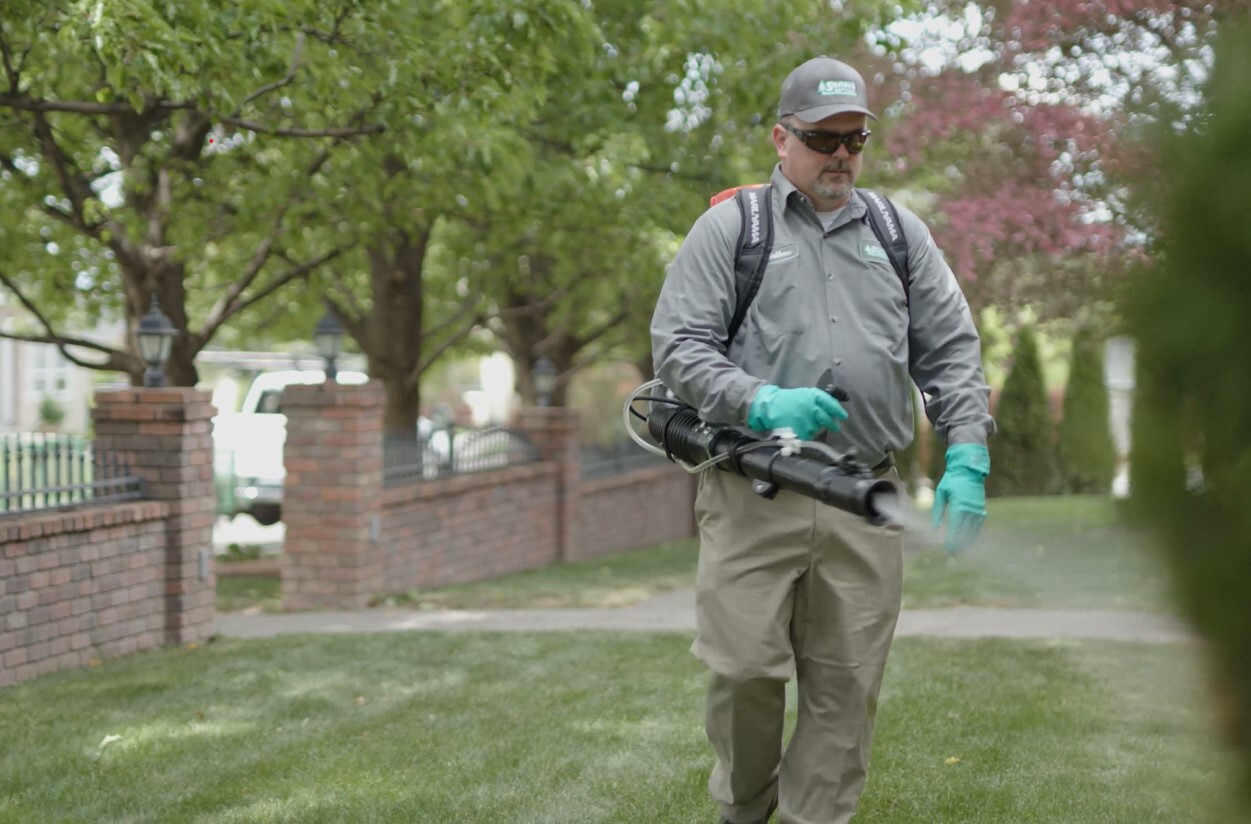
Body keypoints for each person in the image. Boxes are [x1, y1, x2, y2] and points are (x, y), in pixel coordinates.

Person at [650, 56, 995, 824]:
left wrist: (966, 450)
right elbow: (677, 344)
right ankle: (745, 806)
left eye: (855, 139)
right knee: (742, 671)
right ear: (781, 137)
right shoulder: (733, 229)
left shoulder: (898, 234)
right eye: (821, 137)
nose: (840, 154)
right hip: (753, 489)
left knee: (846, 686)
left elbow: (949, 349)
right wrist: (759, 396)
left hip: (862, 495)